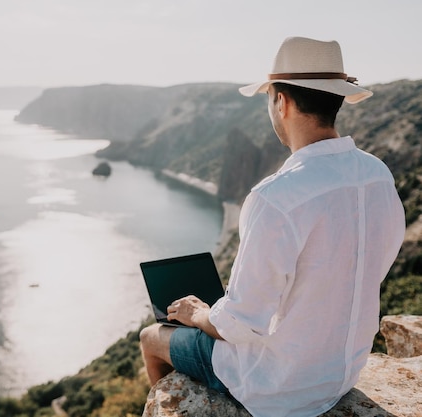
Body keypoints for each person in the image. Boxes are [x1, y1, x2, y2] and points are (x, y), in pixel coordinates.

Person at [139, 36, 406, 417]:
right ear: (338, 99)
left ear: (281, 101)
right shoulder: (378, 175)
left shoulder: (277, 196)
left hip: (280, 388)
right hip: (341, 374)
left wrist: (199, 312)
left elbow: (241, 324)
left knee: (151, 337)